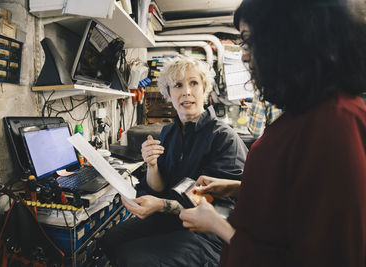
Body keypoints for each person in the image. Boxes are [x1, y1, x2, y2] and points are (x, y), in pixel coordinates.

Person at [180, 0, 366, 266]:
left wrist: (219, 226)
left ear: (289, 37)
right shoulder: (304, 113)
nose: (244, 55)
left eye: (248, 41)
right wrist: (236, 189)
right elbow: (297, 204)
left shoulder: (335, 123)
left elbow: (326, 256)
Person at [101, 56, 248, 266]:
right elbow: (158, 188)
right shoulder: (168, 132)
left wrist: (160, 205)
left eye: (193, 83)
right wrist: (152, 165)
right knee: (111, 240)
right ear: (168, 94)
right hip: (171, 220)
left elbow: (217, 208)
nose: (186, 91)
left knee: (131, 258)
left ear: (204, 90)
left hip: (207, 234)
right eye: (178, 85)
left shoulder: (223, 138)